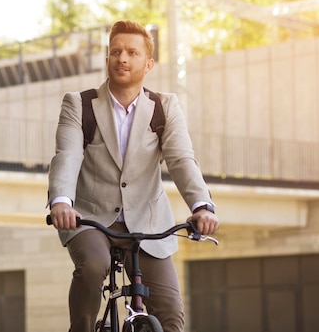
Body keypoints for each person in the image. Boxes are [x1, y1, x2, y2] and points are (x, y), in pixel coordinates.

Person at [47, 19, 219, 332]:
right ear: (108, 58)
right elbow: (68, 156)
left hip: (148, 220)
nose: (122, 58)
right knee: (92, 268)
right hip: (91, 218)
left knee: (171, 318)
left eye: (131, 52)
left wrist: (201, 206)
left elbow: (181, 159)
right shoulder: (80, 104)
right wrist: (61, 201)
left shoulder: (164, 107)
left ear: (148, 63)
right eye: (115, 51)